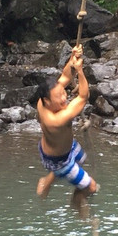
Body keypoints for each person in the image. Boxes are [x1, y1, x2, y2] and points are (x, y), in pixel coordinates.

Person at [34, 44, 99, 217]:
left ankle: (48, 180)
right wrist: (81, 71)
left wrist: (73, 58)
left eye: (63, 93)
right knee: (92, 187)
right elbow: (83, 97)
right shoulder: (57, 120)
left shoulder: (43, 101)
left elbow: (65, 76)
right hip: (60, 161)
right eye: (59, 97)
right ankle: (76, 202)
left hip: (58, 149)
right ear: (48, 102)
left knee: (82, 158)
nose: (64, 97)